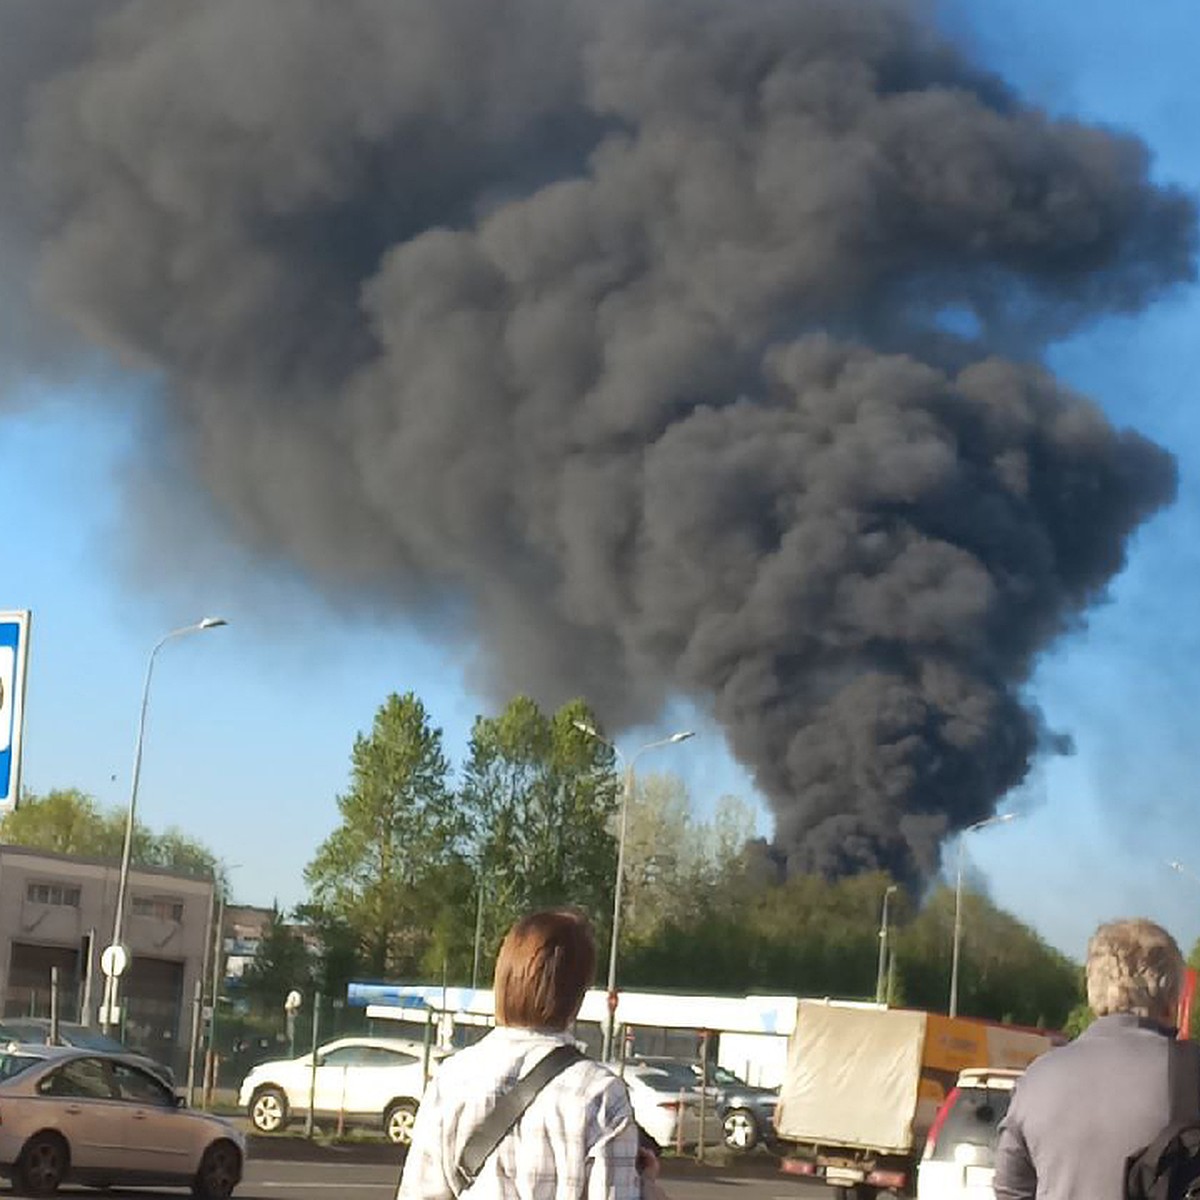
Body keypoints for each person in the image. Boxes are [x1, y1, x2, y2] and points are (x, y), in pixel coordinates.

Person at [397, 908, 642, 1200]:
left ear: (504, 979)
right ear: (578, 994)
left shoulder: (451, 1078)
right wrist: (649, 1187)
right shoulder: (600, 1094)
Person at [994, 917, 1192, 1200]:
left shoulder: (1038, 1079)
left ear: (1093, 990)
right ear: (1172, 998)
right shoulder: (1192, 1075)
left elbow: (1010, 1190)